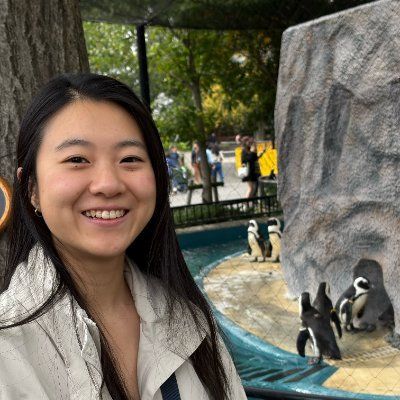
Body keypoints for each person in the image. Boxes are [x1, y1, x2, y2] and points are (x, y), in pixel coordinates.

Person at [0, 74, 246, 400]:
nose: (109, 184)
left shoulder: (190, 321)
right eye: (77, 159)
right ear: (31, 188)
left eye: (130, 159)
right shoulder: (8, 346)